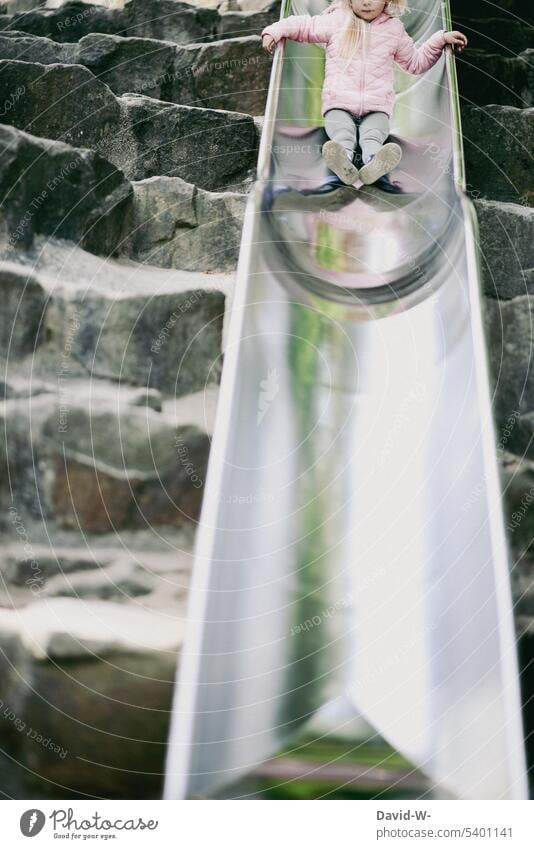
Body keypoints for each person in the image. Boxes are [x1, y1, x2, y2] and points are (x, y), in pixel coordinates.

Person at [261, 0, 467, 191]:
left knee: (373, 134)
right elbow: (304, 27)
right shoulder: (337, 21)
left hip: (376, 106)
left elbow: (416, 63)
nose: (366, 2)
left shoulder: (394, 30)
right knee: (342, 133)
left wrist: (440, 39)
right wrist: (274, 31)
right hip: (338, 103)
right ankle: (344, 161)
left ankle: (374, 162)